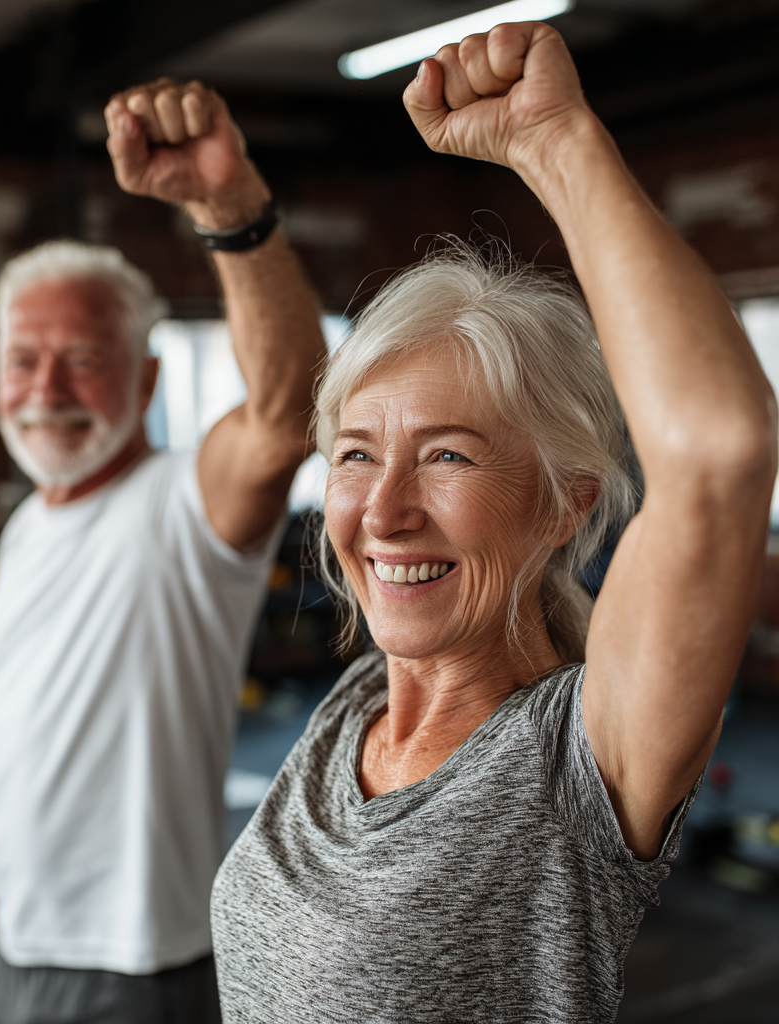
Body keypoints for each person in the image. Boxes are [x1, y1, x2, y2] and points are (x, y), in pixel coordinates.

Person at [210, 22, 778, 1024]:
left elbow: (716, 449)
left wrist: (557, 145)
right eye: (355, 453)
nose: (382, 511)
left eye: (447, 454)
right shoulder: (353, 707)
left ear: (565, 502)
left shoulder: (573, 761)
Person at [0, 79, 326, 1023]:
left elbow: (288, 415)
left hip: (132, 973)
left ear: (149, 375)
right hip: (16, 937)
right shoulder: (31, 525)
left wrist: (228, 207)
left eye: (82, 357)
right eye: (21, 359)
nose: (46, 387)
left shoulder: (177, 504)